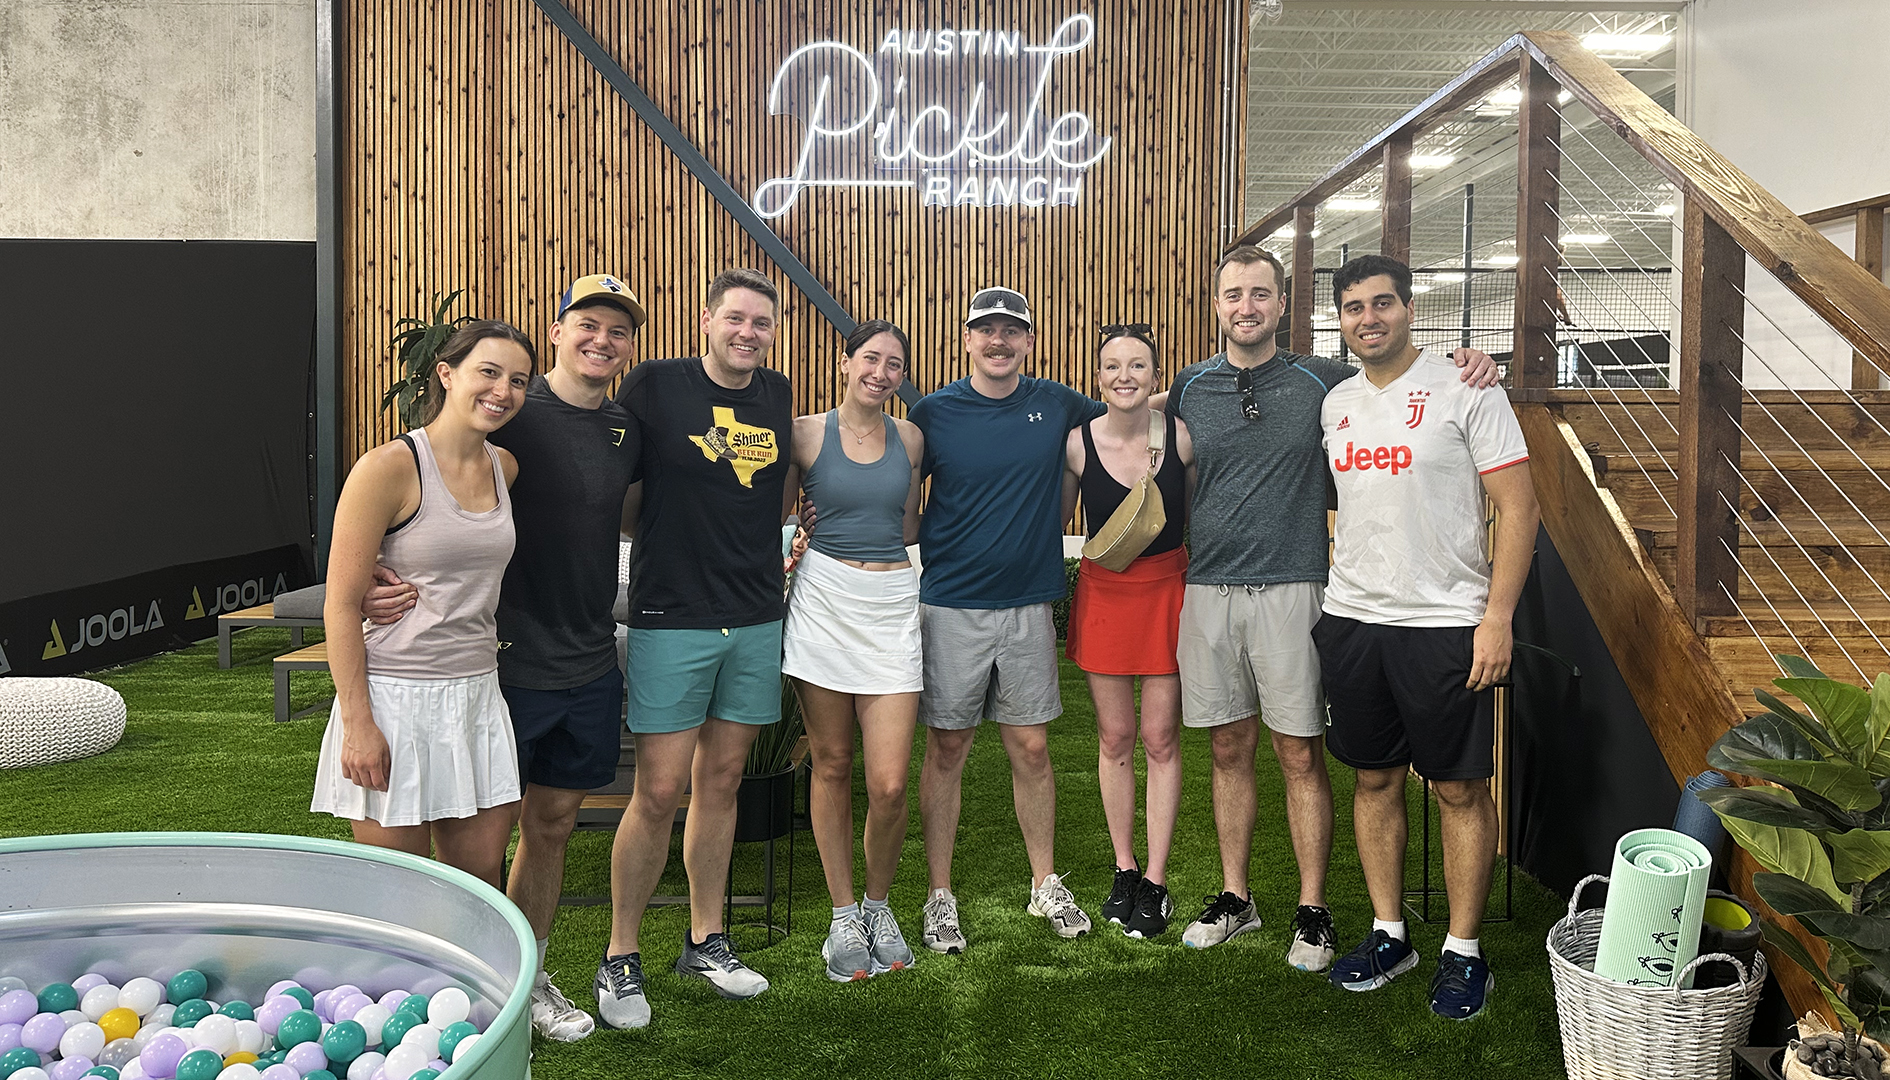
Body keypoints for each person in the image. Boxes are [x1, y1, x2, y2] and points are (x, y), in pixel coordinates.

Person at [1165, 246, 1498, 971]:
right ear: (1216, 306)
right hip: (1209, 588)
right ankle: (1235, 898)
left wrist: (1472, 361)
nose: (1246, 307)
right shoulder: (1190, 385)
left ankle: (1313, 910)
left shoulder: (1325, 379)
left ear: (1283, 304)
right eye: (1233, 295)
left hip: (1298, 587)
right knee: (1228, 749)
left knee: (1299, 752)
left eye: (1260, 293)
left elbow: (1398, 373)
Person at [361, 275, 646, 1043]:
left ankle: (527, 977)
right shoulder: (509, 414)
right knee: (473, 845)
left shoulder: (626, 428)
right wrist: (369, 582)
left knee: (553, 823)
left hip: (590, 660)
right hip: (500, 666)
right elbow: (420, 492)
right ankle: (447, 990)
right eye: (587, 323)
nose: (601, 340)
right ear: (558, 330)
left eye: (618, 330)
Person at [1314, 254, 1536, 1021]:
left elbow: (1520, 507)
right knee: (1373, 780)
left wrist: (1497, 617)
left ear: (1409, 309)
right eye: (1353, 307)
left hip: (1446, 625)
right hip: (1353, 620)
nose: (1368, 318)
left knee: (1458, 788)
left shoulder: (1467, 387)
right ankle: (1391, 935)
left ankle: (1463, 950)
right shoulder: (1336, 402)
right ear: (1341, 321)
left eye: (1382, 303)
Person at [595, 268, 795, 1029]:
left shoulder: (776, 396)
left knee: (723, 782)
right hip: (671, 616)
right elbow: (613, 480)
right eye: (735, 318)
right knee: (656, 791)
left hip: (754, 616)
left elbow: (776, 490)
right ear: (707, 320)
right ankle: (620, 953)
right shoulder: (655, 385)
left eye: (762, 322)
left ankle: (706, 939)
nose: (748, 332)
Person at [912, 286, 1106, 953]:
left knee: (1032, 749)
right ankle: (940, 895)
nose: (998, 341)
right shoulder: (932, 411)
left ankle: (1044, 882)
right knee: (947, 749)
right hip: (951, 605)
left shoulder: (1058, 404)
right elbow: (891, 480)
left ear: (1028, 340)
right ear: (967, 339)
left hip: (1027, 605)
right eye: (985, 329)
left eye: (1011, 330)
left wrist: (1190, 387)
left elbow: (1130, 409)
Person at [314, 320, 536, 890]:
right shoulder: (387, 468)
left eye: (517, 380)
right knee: (400, 891)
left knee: (479, 884)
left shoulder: (504, 467)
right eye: (488, 372)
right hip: (394, 701)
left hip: (476, 696)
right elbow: (340, 606)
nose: (502, 390)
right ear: (446, 373)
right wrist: (358, 725)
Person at [779, 319, 926, 982]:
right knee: (833, 763)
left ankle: (877, 905)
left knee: (889, 783)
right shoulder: (805, 434)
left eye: (894, 364)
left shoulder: (910, 438)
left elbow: (907, 524)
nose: (881, 373)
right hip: (824, 602)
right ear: (845, 362)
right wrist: (793, 539)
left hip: (891, 604)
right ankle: (843, 916)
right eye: (870, 358)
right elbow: (780, 516)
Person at [1059, 324, 1194, 940]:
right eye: (1112, 366)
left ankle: (1157, 881)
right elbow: (1057, 518)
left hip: (1168, 593)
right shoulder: (1077, 444)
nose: (1124, 376)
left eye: (1137, 365)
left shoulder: (1181, 437)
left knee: (1160, 738)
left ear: (1156, 375)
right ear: (1098, 376)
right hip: (1105, 594)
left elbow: (1196, 513)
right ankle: (1125, 868)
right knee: (1114, 737)